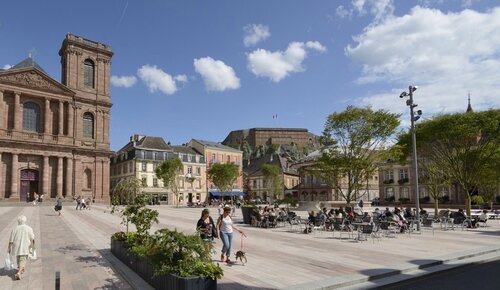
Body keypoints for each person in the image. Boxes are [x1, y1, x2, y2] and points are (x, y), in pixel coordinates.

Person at [8, 215, 35, 280]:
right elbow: (32, 238)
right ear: (25, 220)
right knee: (23, 259)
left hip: (16, 247)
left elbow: (11, 240)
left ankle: (21, 269)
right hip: (25, 246)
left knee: (19, 258)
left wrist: (9, 248)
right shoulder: (29, 228)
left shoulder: (14, 228)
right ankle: (19, 273)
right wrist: (33, 246)